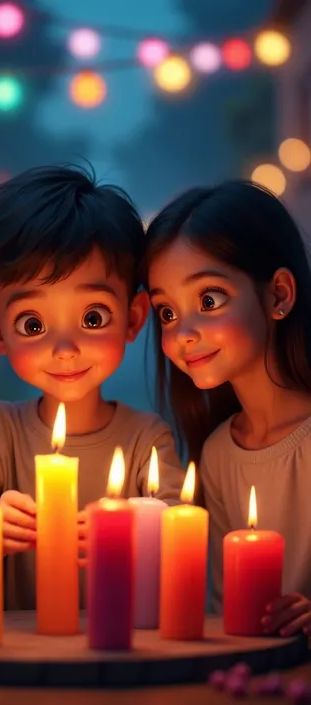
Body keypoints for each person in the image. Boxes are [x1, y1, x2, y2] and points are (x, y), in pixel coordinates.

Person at [0, 165, 185, 609]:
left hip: (118, 651)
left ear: (132, 318)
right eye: (32, 324)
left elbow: (180, 527)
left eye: (93, 317)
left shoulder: (147, 438)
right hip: (16, 653)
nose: (65, 348)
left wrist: (139, 526)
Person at [145, 179, 311, 637]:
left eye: (209, 300)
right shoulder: (218, 453)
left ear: (278, 295)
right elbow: (221, 608)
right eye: (167, 312)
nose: (183, 334)